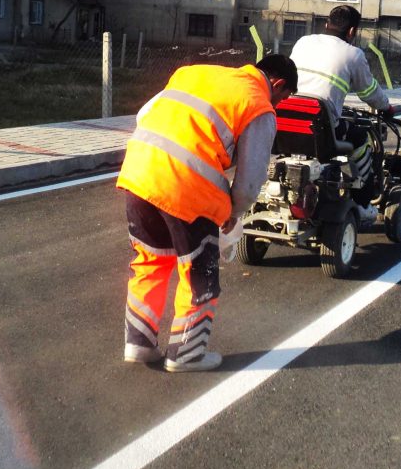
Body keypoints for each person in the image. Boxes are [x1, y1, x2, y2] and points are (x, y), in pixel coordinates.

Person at [117, 54, 298, 372]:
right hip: (187, 190)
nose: (279, 104)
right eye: (283, 98)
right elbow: (250, 179)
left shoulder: (193, 72)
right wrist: (234, 212)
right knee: (199, 274)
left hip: (138, 174)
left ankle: (139, 343)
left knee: (150, 262)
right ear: (278, 84)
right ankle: (186, 354)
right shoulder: (258, 104)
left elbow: (146, 113)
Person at [289, 5, 392, 222]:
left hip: (287, 122)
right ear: (352, 31)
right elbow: (369, 92)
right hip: (322, 126)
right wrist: (386, 107)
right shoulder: (353, 54)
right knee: (361, 138)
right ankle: (364, 202)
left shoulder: (303, 42)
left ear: (327, 24)